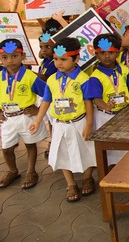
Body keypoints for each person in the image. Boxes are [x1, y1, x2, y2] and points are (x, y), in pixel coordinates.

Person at [29, 38, 96, 202]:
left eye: (64, 59)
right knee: (62, 153)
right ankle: (70, 183)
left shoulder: (83, 79)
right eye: (56, 59)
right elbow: (46, 100)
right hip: (59, 124)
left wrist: (89, 124)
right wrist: (37, 120)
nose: (59, 63)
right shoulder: (52, 79)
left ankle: (88, 178)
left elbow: (88, 102)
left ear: (76, 58)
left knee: (87, 151)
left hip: (79, 122)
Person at [86, 34, 129, 165]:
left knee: (125, 147)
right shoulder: (95, 77)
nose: (107, 56)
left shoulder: (124, 70)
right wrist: (105, 106)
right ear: (96, 55)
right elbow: (96, 99)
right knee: (109, 151)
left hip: (124, 113)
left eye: (111, 52)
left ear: (118, 53)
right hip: (105, 116)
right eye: (102, 53)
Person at [0, 39, 47, 189]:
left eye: (14, 56)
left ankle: (31, 171)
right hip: (8, 118)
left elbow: (48, 94)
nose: (10, 60)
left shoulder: (30, 76)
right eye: (5, 57)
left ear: (23, 56)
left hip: (26, 116)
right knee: (6, 148)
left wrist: (38, 110)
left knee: (30, 144)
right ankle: (13, 171)